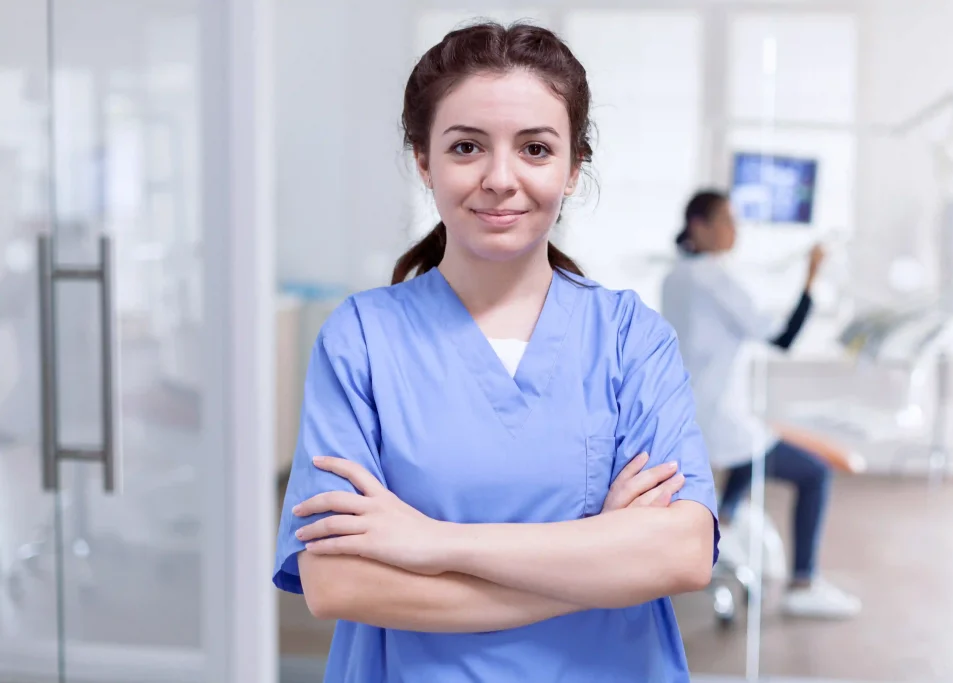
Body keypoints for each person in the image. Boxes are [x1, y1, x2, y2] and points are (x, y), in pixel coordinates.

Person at [273, 21, 720, 683]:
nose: (500, 178)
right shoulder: (361, 339)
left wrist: (433, 542)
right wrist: (599, 559)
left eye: (536, 148)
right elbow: (338, 583)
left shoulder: (630, 337)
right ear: (424, 161)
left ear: (573, 168)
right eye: (466, 147)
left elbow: (682, 553)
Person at [661, 190, 862, 620]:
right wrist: (811, 277)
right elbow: (783, 338)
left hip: (691, 415)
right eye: (727, 221)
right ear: (700, 226)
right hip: (718, 420)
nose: (736, 230)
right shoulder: (714, 278)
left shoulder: (677, 276)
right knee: (814, 473)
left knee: (750, 450)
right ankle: (803, 582)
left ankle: (726, 521)